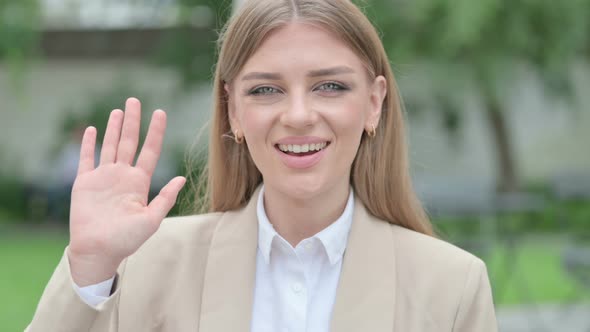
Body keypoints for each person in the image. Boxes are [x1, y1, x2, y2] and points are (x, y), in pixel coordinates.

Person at [27, 0, 498, 331]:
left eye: (329, 86)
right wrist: (90, 270)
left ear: (374, 104)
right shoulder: (148, 263)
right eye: (265, 89)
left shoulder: (452, 285)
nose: (297, 115)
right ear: (233, 110)